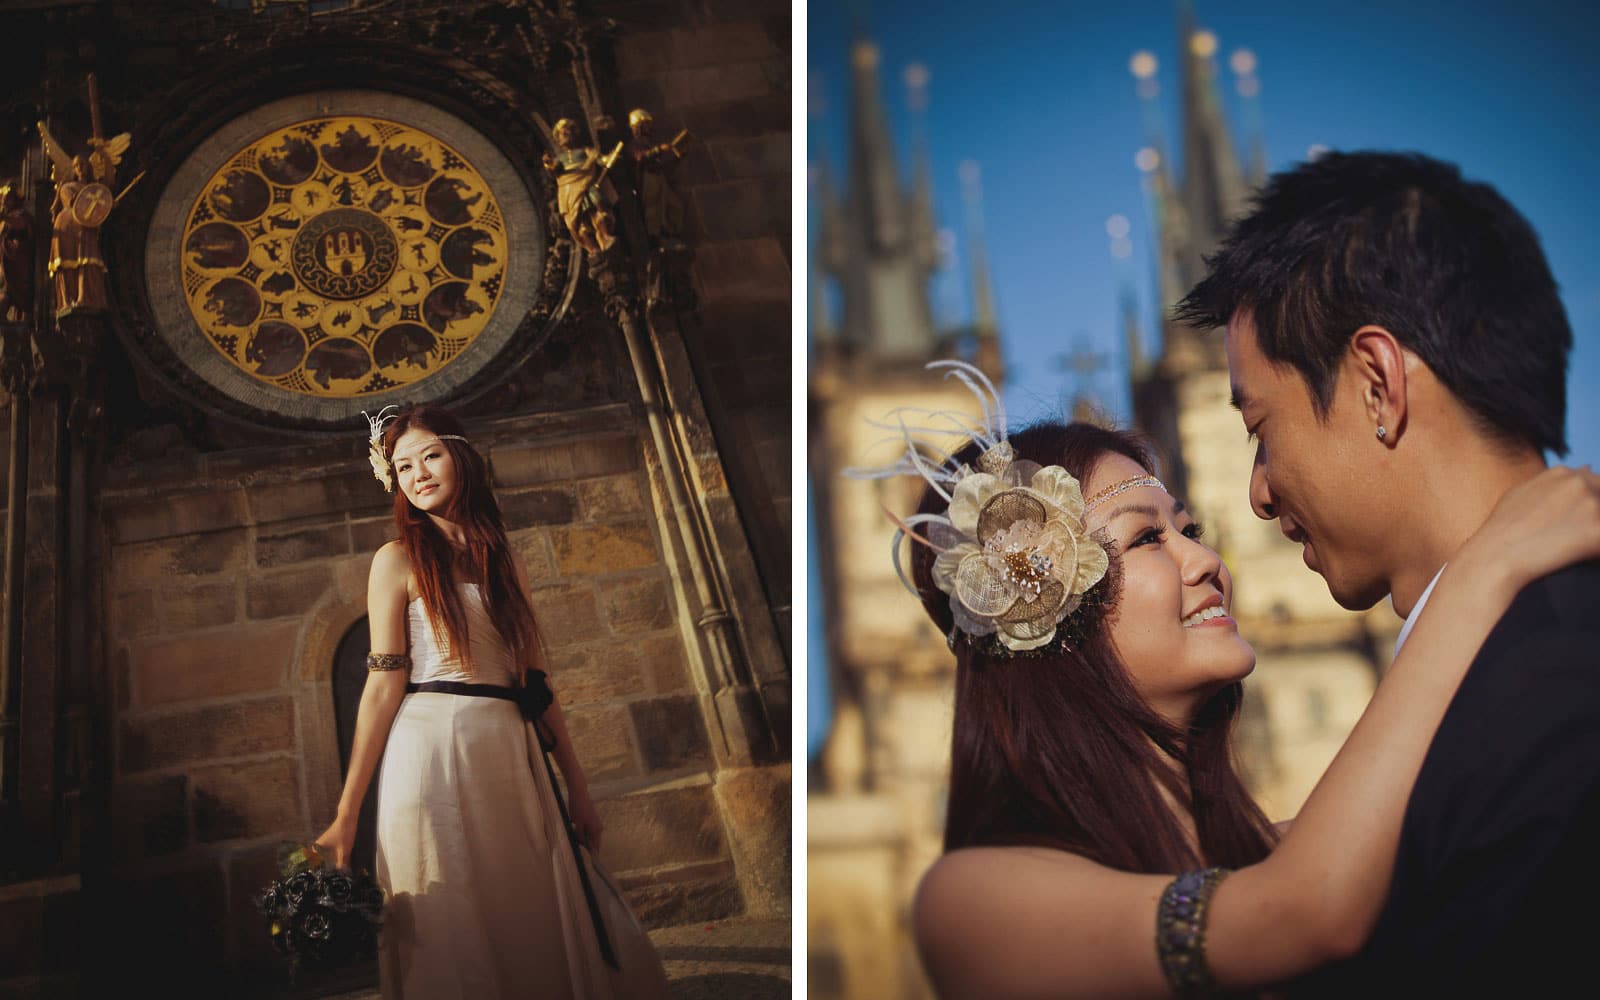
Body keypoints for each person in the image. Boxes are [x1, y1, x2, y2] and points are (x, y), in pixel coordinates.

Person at [861, 363, 1600, 998]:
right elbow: (1303, 912)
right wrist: (1480, 573)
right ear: (1041, 610)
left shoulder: (1279, 852)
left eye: (1190, 529)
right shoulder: (972, 902)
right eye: (1149, 537)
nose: (1206, 561)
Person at [1175, 150, 1600, 993]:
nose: (1257, 494)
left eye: (1261, 429)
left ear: (1378, 385)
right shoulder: (1534, 649)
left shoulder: (1547, 691)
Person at [314, 403, 668, 999]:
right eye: (403, 468)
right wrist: (347, 813)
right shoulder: (395, 560)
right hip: (428, 744)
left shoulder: (505, 558)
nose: (419, 474)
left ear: (461, 455)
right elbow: (382, 685)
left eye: (430, 455)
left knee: (524, 902)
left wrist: (578, 788)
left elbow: (535, 681)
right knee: (450, 910)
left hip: (509, 743)